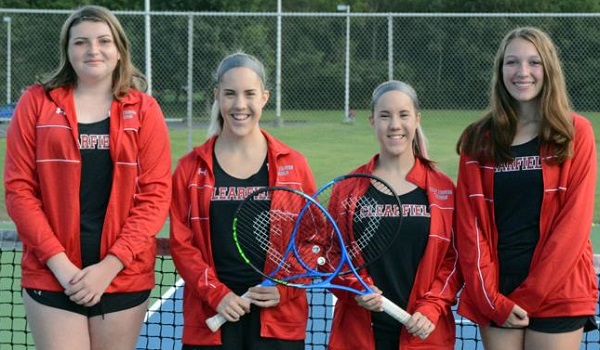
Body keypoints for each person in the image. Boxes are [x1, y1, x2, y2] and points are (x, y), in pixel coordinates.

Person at [3, 5, 172, 350]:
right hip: (52, 276)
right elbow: (19, 191)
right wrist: (61, 266)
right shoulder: (35, 103)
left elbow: (155, 196)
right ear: (67, 49)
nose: (93, 50)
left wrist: (110, 266)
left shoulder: (145, 110)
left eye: (103, 41)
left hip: (123, 275)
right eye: (81, 42)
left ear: (119, 49)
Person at [455, 26, 597, 350]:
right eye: (512, 62)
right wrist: (492, 301)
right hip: (497, 291)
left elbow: (573, 227)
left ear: (548, 69)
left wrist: (527, 297)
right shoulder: (478, 139)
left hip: (559, 289)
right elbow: (469, 228)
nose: (522, 72)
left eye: (533, 62)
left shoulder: (576, 133)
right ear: (500, 70)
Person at [169, 52, 317, 349]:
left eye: (249, 94)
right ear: (217, 97)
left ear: (264, 97)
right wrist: (217, 295)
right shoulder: (190, 168)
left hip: (278, 323)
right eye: (230, 94)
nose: (239, 105)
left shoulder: (294, 165)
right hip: (212, 319)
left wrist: (284, 289)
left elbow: (314, 238)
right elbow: (182, 245)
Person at [327, 80, 462, 350]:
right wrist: (355, 287)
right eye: (385, 116)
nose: (394, 125)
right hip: (358, 335)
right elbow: (330, 255)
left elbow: (456, 259)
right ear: (372, 121)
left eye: (403, 115)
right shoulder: (347, 188)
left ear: (417, 119)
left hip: (423, 334)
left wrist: (432, 305)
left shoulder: (444, 189)